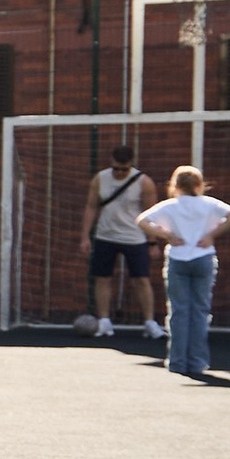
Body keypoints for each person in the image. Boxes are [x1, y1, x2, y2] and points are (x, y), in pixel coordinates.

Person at [142, 160, 230, 380]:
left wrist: (166, 235)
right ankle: (197, 361)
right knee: (200, 311)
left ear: (175, 186)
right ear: (199, 185)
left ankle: (177, 361)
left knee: (179, 311)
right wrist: (212, 235)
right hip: (203, 258)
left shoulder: (170, 205)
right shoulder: (209, 204)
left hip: (178, 258)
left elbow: (142, 220)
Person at [77, 142, 158, 342]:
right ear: (111, 163)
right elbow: (91, 206)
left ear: (131, 164)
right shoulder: (100, 179)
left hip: (134, 237)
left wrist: (152, 242)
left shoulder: (144, 182)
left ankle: (149, 322)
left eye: (124, 169)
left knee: (141, 279)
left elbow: (152, 214)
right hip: (106, 235)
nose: (120, 173)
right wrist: (85, 236)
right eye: (116, 169)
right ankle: (104, 320)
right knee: (102, 278)